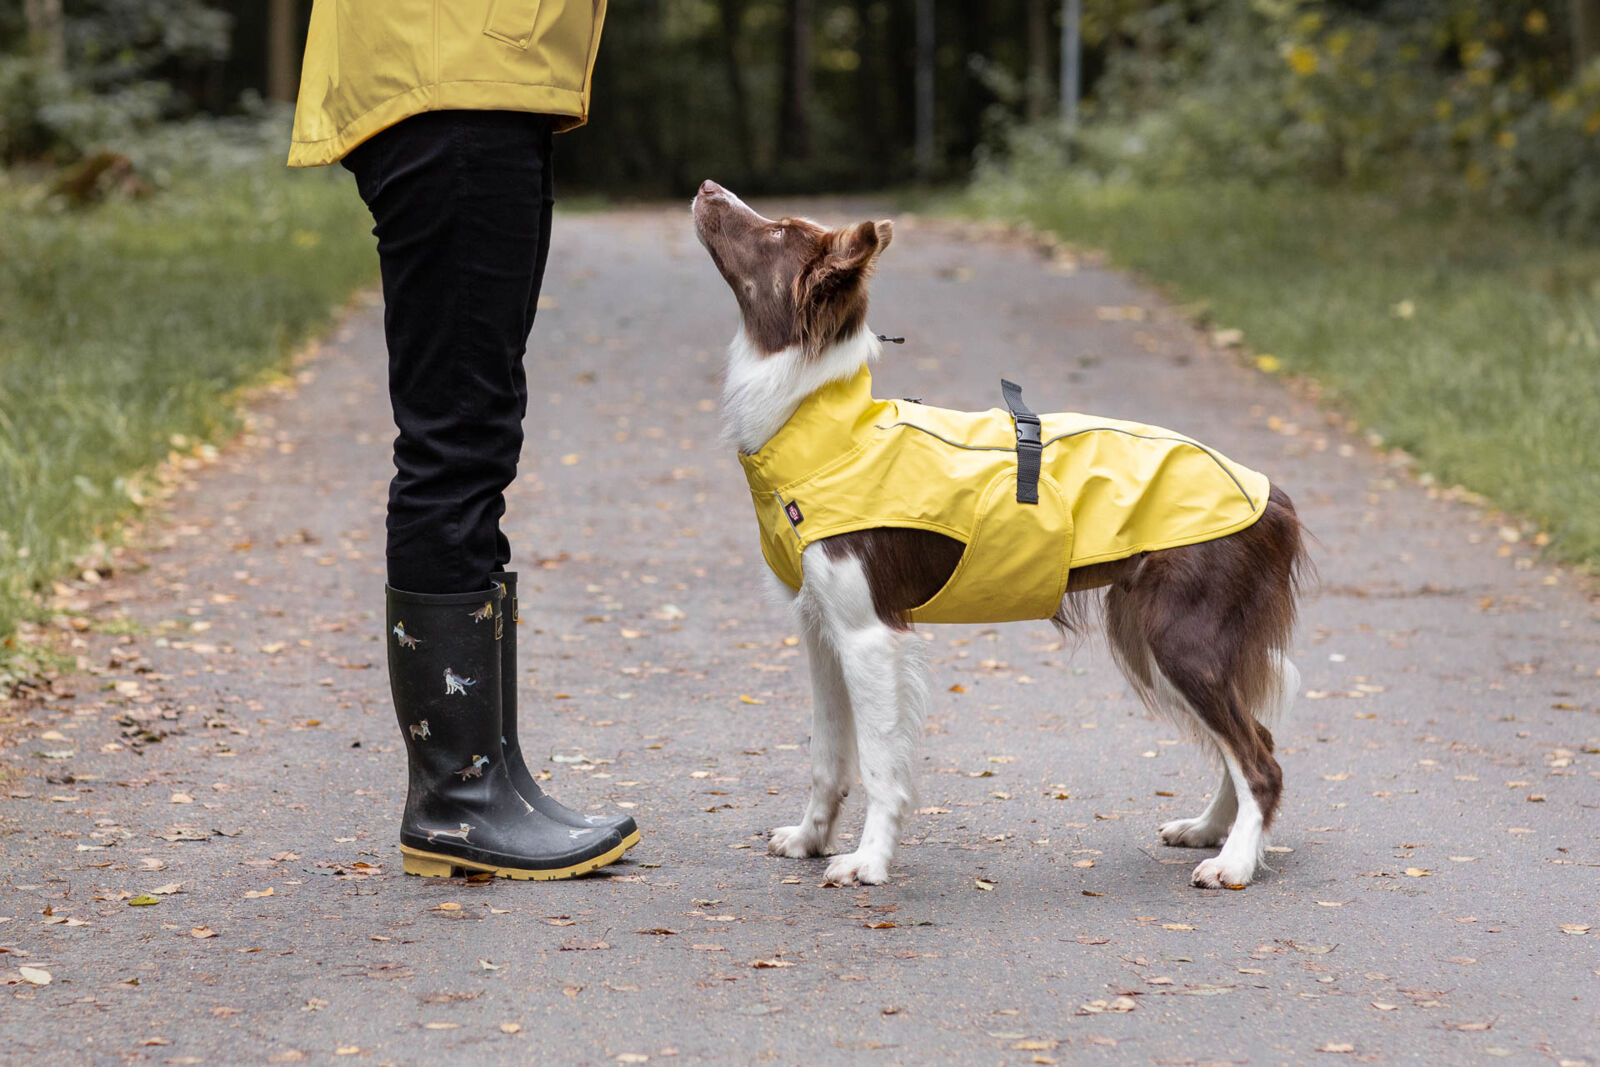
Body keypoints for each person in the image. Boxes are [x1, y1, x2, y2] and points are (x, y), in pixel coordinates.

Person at [287, 2, 638, 880]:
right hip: (447, 74)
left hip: (476, 74)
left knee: (478, 430)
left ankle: (490, 779)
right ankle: (457, 802)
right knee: (458, 436)